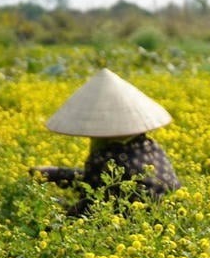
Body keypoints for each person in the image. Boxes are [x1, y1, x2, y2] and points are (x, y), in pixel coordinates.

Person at [31, 68, 181, 217]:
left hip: (131, 220)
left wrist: (56, 215)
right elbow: (109, 178)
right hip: (172, 214)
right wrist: (54, 174)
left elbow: (89, 201)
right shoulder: (150, 146)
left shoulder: (103, 158)